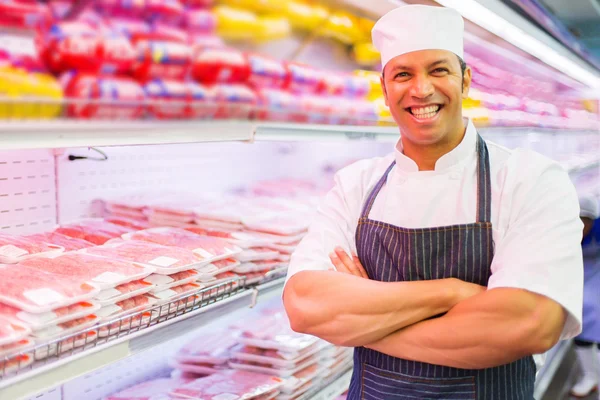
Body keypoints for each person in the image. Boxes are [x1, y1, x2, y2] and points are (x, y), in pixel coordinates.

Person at [283, 4, 584, 399]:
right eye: (402, 74)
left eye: (438, 70)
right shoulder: (355, 185)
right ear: (385, 88)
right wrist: (454, 292)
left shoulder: (531, 180)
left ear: (466, 80)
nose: (420, 89)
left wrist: (365, 323)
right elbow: (306, 306)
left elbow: (530, 322)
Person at [571, 194, 600, 397]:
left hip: (597, 279)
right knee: (578, 328)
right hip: (577, 280)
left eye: (585, 221)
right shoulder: (563, 232)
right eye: (577, 220)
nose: (581, 226)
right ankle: (590, 376)